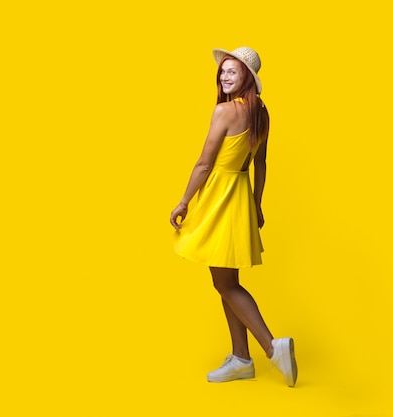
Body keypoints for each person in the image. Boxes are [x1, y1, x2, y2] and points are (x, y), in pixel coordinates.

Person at [169, 47, 297, 387]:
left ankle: (272, 347)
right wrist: (256, 204)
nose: (225, 76)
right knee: (227, 282)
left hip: (219, 196)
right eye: (222, 71)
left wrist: (183, 202)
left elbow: (204, 164)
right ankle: (241, 357)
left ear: (247, 78)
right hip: (240, 196)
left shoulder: (225, 111)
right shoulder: (261, 113)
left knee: (224, 282)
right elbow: (261, 163)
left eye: (232, 71)